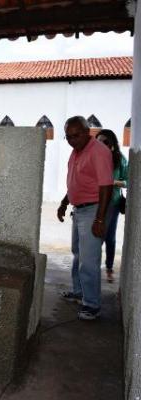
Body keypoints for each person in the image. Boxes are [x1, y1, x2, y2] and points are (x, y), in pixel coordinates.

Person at [57, 116, 113, 321]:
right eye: (68, 137)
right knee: (78, 254)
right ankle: (79, 291)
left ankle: (92, 304)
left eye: (76, 135)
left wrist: (99, 220)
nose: (72, 140)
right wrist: (65, 202)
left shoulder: (98, 152)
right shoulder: (76, 152)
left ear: (87, 131)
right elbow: (75, 180)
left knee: (89, 260)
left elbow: (105, 185)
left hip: (92, 211)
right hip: (78, 210)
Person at [96, 129, 128, 282]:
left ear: (113, 145)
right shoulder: (93, 157)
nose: (101, 144)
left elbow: (128, 181)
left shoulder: (120, 160)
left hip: (112, 203)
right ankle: (93, 264)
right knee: (96, 236)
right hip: (93, 202)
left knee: (109, 236)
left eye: (105, 142)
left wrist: (114, 183)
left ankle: (109, 266)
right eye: (98, 141)